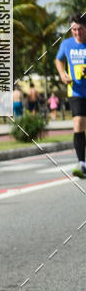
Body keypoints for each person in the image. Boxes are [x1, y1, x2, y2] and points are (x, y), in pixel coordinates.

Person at [55, 13, 86, 178]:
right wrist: (62, 74)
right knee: (78, 123)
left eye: (80, 29)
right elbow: (58, 60)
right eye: (74, 29)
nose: (77, 32)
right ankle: (81, 163)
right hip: (76, 92)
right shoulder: (66, 44)